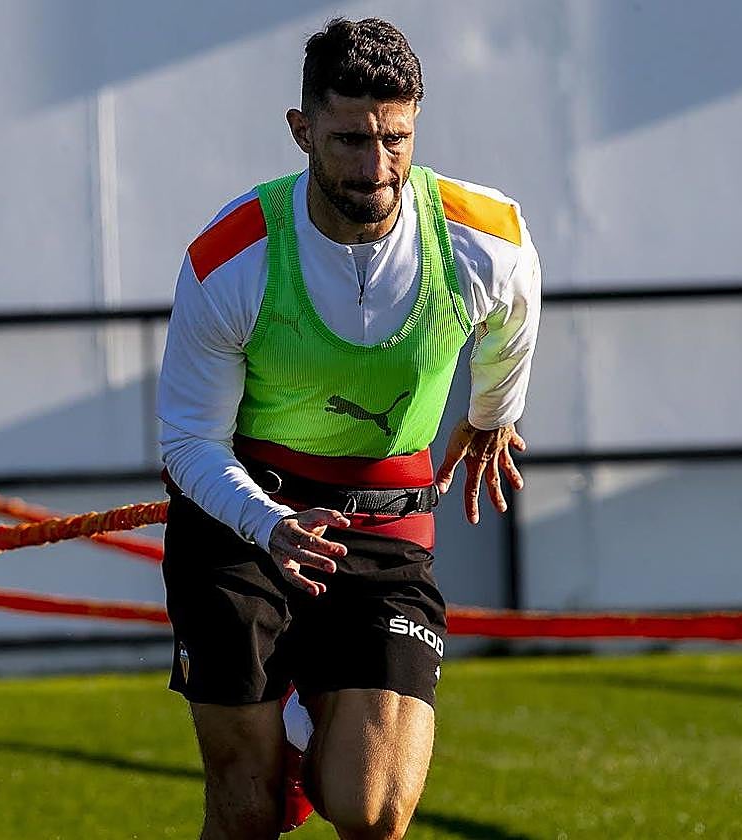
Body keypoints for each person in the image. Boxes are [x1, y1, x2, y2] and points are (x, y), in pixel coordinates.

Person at [157, 17, 541, 840]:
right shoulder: (232, 257)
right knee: (246, 808)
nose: (377, 168)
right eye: (350, 141)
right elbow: (188, 441)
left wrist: (493, 414)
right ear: (301, 131)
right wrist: (272, 525)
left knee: (371, 813)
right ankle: (286, 717)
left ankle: (304, 715)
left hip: (382, 521)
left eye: (394, 139)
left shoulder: (485, 238)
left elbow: (516, 313)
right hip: (241, 522)